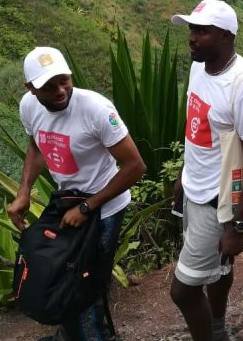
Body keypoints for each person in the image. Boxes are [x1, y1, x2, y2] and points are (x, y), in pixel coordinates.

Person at [8, 46, 146, 341]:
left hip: (104, 206)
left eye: (64, 80)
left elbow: (135, 166)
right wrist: (24, 192)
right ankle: (72, 334)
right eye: (49, 85)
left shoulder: (95, 109)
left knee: (86, 278)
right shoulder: (29, 107)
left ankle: (96, 336)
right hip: (66, 201)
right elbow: (36, 146)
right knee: (65, 273)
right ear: (31, 88)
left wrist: (88, 207)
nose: (60, 90)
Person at [169, 0, 243, 341]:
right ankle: (216, 326)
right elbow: (198, 128)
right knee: (218, 268)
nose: (192, 38)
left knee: (182, 291)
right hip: (194, 186)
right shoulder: (199, 66)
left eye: (202, 31)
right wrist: (184, 174)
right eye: (191, 29)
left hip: (218, 202)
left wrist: (238, 226)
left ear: (226, 36)